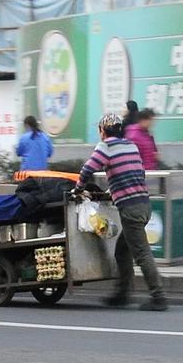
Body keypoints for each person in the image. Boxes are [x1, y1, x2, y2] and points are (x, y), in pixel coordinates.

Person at [77, 112, 168, 311]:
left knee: (142, 253)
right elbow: (134, 173)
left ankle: (158, 296)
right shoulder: (130, 146)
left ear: (103, 130)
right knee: (122, 251)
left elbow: (88, 169)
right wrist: (114, 190)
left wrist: (78, 188)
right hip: (144, 203)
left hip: (131, 208)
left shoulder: (106, 146)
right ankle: (122, 294)